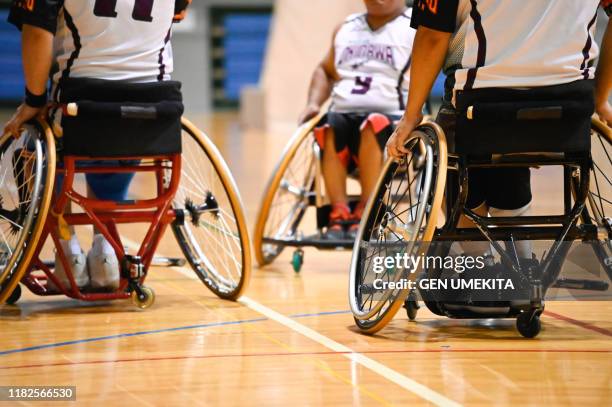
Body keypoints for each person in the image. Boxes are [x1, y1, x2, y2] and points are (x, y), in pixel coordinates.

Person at [386, 0, 612, 261]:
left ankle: (475, 264)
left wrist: (410, 116)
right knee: (504, 143)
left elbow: (432, 36)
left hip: (484, 103)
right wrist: (600, 96)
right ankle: (521, 267)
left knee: (462, 140)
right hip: (569, 108)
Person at [2, 0, 191, 291]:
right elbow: (173, 15)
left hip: (84, 106)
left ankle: (68, 251)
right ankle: (105, 252)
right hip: (155, 110)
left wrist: (34, 101)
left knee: (29, 144)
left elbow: (37, 31)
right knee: (120, 134)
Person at [299, 0, 416, 240]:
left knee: (373, 124)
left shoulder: (417, 27)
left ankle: (367, 212)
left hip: (393, 123)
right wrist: (312, 104)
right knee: (326, 124)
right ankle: (339, 213)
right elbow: (325, 70)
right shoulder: (346, 27)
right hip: (343, 116)